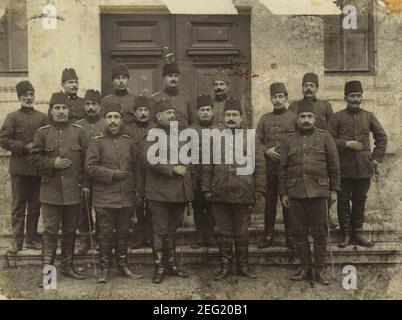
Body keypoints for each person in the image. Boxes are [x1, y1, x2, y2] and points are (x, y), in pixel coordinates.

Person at [202, 97, 266, 280]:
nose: (231, 118)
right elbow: (208, 166)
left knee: (242, 232)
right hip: (220, 193)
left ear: (241, 117)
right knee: (224, 232)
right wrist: (207, 189)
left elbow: (260, 166)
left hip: (243, 193)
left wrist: (259, 190)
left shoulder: (251, 138)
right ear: (223, 117)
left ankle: (243, 266)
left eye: (234, 115)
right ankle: (225, 266)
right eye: (228, 115)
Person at [279, 100, 340, 285]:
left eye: (309, 116)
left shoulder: (325, 137)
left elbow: (334, 165)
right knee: (299, 232)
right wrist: (284, 194)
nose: (306, 120)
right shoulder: (289, 140)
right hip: (296, 193)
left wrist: (334, 190)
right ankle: (306, 268)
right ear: (297, 119)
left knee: (320, 232)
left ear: (314, 118)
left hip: (319, 193)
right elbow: (282, 169)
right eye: (303, 117)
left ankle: (319, 270)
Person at [30, 92, 89, 283]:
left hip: (73, 191)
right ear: (51, 110)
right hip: (50, 192)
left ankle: (67, 267)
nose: (61, 112)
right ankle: (48, 275)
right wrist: (51, 163)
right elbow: (33, 159)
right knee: (50, 232)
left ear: (69, 110)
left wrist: (85, 186)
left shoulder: (79, 132)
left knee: (71, 230)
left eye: (64, 108)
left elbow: (88, 161)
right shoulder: (42, 133)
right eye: (57, 108)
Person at [86, 101, 143, 283]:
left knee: (123, 233)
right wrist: (112, 174)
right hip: (104, 197)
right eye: (109, 117)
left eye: (116, 117)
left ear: (121, 120)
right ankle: (104, 267)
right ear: (104, 119)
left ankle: (123, 265)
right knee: (105, 233)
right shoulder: (96, 142)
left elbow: (137, 169)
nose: (113, 121)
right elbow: (90, 167)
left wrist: (138, 192)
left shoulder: (128, 142)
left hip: (125, 196)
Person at [137, 98, 192, 284]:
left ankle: (172, 265)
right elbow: (149, 159)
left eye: (173, 112)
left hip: (178, 192)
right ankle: (159, 268)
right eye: (167, 113)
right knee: (160, 231)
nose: (172, 115)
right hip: (158, 192)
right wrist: (172, 169)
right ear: (158, 116)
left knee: (171, 230)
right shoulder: (151, 135)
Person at [328, 80, 387, 248]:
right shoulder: (336, 117)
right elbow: (328, 139)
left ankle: (358, 233)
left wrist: (375, 158)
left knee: (360, 200)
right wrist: (345, 144)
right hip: (343, 168)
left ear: (362, 97)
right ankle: (345, 234)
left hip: (363, 168)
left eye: (358, 96)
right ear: (345, 97)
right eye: (352, 96)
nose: (355, 99)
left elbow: (382, 138)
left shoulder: (369, 116)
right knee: (343, 201)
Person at [0, 81, 48, 253]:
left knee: (35, 206)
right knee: (18, 206)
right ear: (19, 97)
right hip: (19, 170)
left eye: (31, 94)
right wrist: (23, 147)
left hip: (36, 170)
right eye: (25, 95)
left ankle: (31, 239)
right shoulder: (12, 117)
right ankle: (16, 241)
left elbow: (47, 138)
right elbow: (3, 140)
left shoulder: (42, 117)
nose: (29, 98)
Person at [256, 82, 297, 252]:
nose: (278, 100)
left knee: (288, 203)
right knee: (270, 203)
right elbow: (256, 142)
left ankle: (290, 236)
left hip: (288, 169)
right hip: (270, 169)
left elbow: (300, 140)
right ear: (271, 99)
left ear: (286, 98)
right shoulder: (264, 119)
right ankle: (268, 235)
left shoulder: (294, 118)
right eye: (275, 97)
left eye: (281, 96)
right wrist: (266, 151)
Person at [188, 94, 222, 248]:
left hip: (215, 176)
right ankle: (199, 236)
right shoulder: (190, 131)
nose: (205, 113)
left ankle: (210, 235)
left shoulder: (220, 130)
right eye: (202, 110)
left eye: (208, 110)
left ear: (213, 111)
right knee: (198, 206)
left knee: (212, 206)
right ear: (197, 112)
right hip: (196, 175)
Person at [76, 89, 106, 254]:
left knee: (102, 209)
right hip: (83, 175)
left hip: (102, 176)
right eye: (87, 104)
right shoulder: (78, 126)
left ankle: (102, 239)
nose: (90, 108)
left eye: (94, 104)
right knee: (83, 209)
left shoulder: (106, 124)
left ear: (100, 107)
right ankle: (85, 240)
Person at [124, 94, 155, 249]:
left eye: (145, 110)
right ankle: (137, 237)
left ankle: (150, 236)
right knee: (136, 204)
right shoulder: (128, 129)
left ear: (150, 112)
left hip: (152, 173)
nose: (143, 113)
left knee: (151, 205)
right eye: (140, 110)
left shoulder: (156, 128)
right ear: (135, 112)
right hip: (133, 171)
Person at [152, 62, 193, 130]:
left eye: (176, 76)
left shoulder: (186, 98)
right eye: (170, 76)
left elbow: (191, 122)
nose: (173, 79)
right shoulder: (156, 98)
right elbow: (152, 122)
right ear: (164, 78)